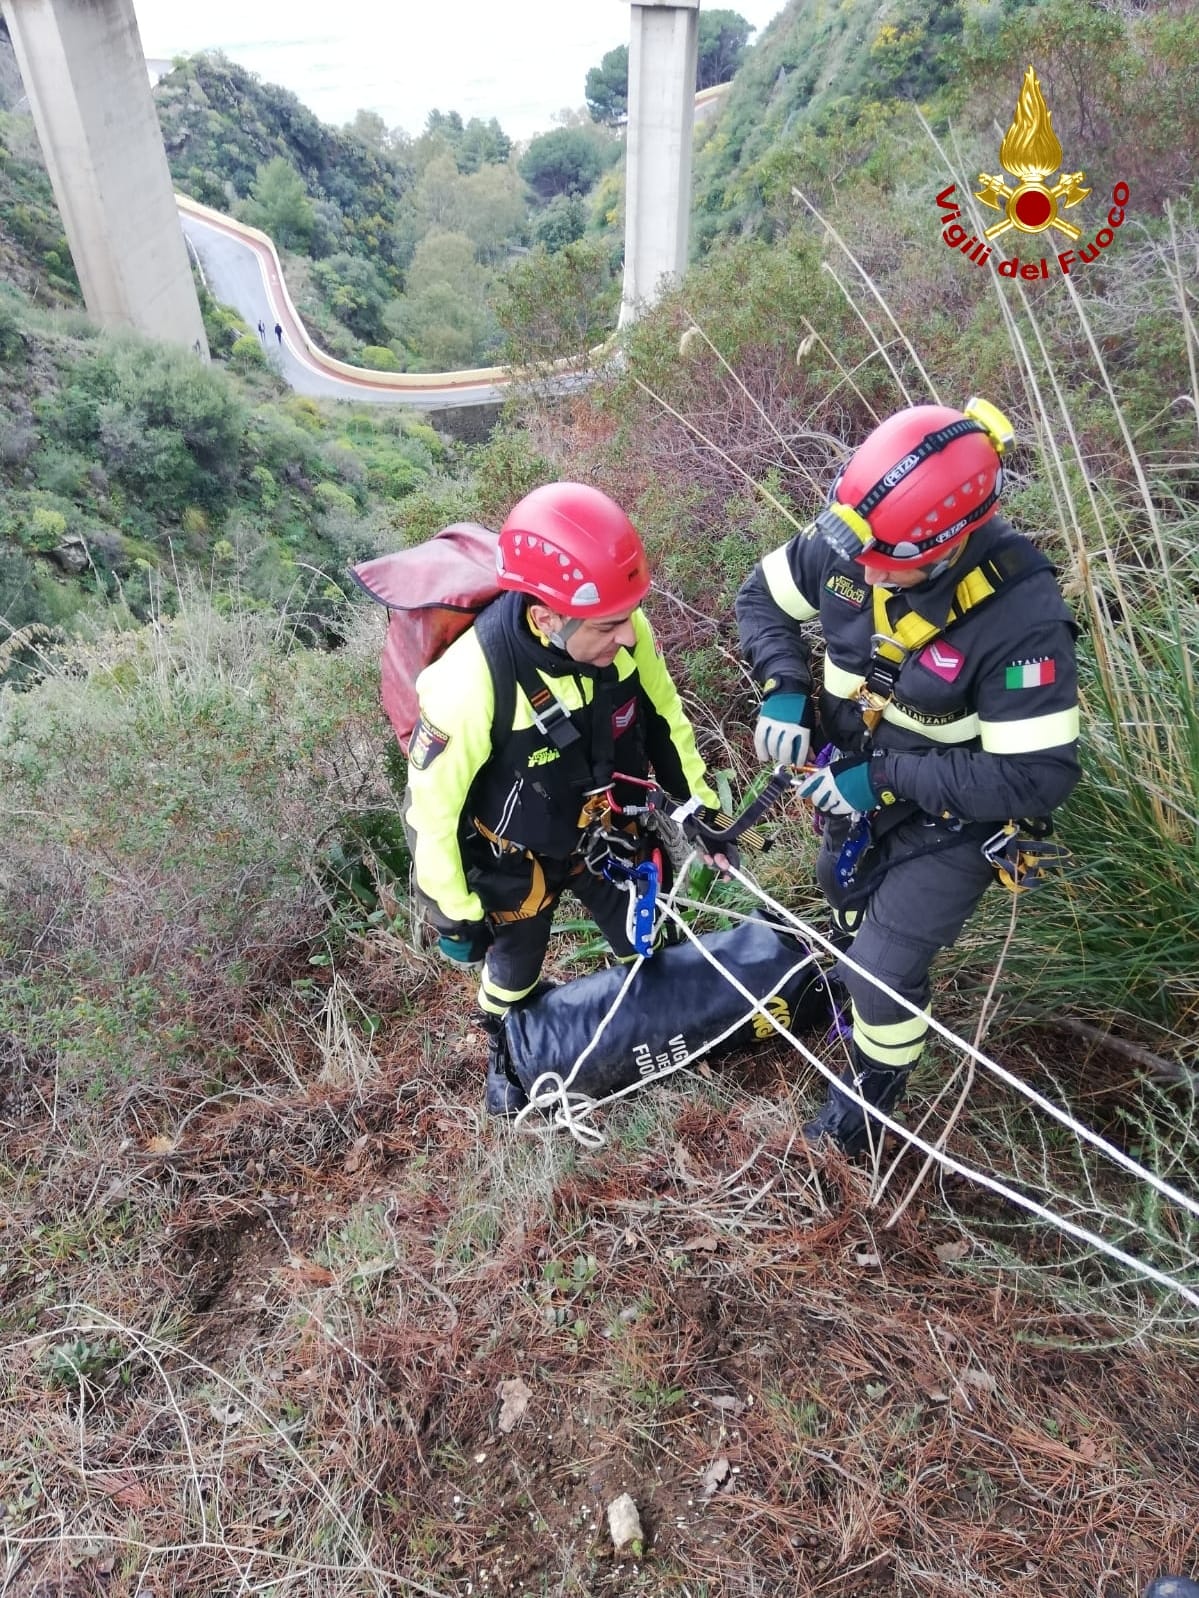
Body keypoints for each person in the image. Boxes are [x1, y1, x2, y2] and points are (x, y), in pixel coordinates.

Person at [735, 398, 1080, 1155]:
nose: (858, 575)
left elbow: (1035, 779)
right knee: (838, 888)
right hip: (852, 778)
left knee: (881, 974)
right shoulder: (855, 534)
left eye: (884, 570)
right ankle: (853, 982)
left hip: (956, 815)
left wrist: (886, 777)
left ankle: (870, 1103)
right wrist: (783, 686)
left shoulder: (1022, 616)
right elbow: (760, 598)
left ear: (947, 543)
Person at [404, 482, 722, 1117]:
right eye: (610, 626)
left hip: (606, 834)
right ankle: (504, 1044)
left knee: (646, 940)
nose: (630, 638)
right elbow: (429, 812)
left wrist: (701, 809)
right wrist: (454, 913)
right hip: (517, 859)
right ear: (547, 616)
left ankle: (657, 1038)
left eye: (630, 617)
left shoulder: (619, 627)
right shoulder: (469, 684)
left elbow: (663, 717)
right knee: (514, 968)